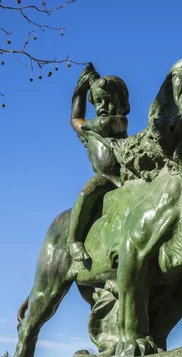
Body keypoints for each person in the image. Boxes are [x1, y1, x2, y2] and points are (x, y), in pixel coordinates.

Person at [68, 63, 130, 261]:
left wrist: (86, 125)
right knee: (88, 191)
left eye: (108, 100)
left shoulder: (118, 121)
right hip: (104, 179)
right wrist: (81, 90)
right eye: (98, 102)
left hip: (122, 178)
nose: (102, 106)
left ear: (123, 105)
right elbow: (75, 119)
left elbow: (103, 125)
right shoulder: (91, 132)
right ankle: (74, 240)